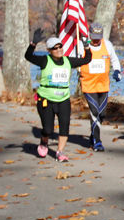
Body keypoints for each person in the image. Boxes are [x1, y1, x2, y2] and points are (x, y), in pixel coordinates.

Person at [25, 29, 92, 162]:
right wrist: (33, 44)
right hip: (46, 99)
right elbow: (28, 56)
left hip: (63, 99)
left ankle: (60, 152)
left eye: (60, 46)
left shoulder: (68, 61)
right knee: (48, 129)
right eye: (55, 48)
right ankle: (44, 142)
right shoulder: (45, 60)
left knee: (64, 126)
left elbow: (87, 59)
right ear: (49, 50)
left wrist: (86, 45)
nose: (58, 49)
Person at [80, 22, 122, 152]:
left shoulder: (107, 44)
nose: (96, 40)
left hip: (103, 85)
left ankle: (93, 135)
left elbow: (114, 59)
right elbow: (75, 61)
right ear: (89, 34)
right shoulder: (83, 46)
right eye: (94, 37)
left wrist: (117, 71)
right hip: (88, 85)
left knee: (102, 114)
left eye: (98, 37)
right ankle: (97, 142)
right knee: (94, 112)